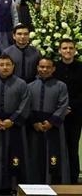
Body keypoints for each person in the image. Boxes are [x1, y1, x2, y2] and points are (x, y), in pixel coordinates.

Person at [0, 54, 30, 194]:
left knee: (14, 155)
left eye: (8, 64)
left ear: (13, 66)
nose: (5, 67)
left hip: (13, 126)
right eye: (1, 65)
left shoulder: (21, 84)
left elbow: (25, 104)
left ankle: (13, 186)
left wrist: (12, 120)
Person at [26, 57, 70, 184]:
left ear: (53, 69)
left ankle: (53, 183)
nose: (44, 69)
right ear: (37, 67)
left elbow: (63, 105)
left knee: (54, 155)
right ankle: (34, 183)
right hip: (35, 126)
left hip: (53, 126)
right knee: (34, 154)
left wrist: (51, 122)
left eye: (48, 67)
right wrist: (34, 122)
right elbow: (26, 106)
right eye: (42, 67)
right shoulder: (29, 86)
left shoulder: (61, 86)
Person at [53, 39, 82, 183]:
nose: (68, 51)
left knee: (72, 147)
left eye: (71, 48)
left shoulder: (81, 67)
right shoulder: (54, 68)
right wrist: (61, 108)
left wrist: (71, 107)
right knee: (57, 146)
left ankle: (73, 178)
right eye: (64, 48)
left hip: (75, 115)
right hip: (57, 114)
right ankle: (57, 178)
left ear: (75, 50)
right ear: (59, 51)